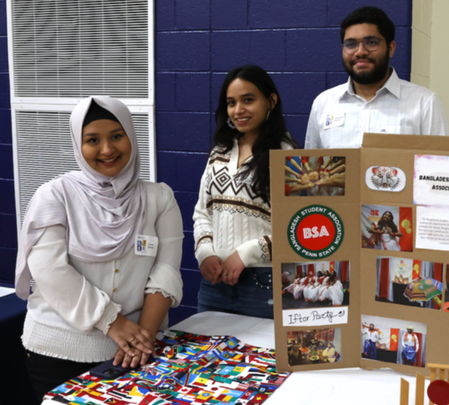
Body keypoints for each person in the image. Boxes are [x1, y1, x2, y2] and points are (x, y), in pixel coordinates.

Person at [15, 96, 184, 403]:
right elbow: (51, 272)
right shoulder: (54, 196)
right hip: (59, 350)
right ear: (78, 146)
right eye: (93, 140)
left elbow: (166, 271)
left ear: (131, 137)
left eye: (117, 136)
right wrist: (113, 322)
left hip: (138, 348)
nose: (107, 149)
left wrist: (139, 341)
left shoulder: (159, 198)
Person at [193, 65, 296, 318]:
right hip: (214, 286)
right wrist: (205, 253)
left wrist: (246, 253)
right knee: (208, 356)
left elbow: (297, 229)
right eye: (231, 102)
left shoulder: (289, 158)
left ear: (271, 101)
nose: (238, 110)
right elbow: (203, 213)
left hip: (264, 285)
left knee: (261, 358)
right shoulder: (219, 152)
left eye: (248, 100)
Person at [305, 6, 449, 149]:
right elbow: (311, 166)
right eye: (351, 44)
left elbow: (440, 167)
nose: (360, 52)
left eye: (371, 43)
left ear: (390, 48)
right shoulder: (323, 103)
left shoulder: (425, 103)